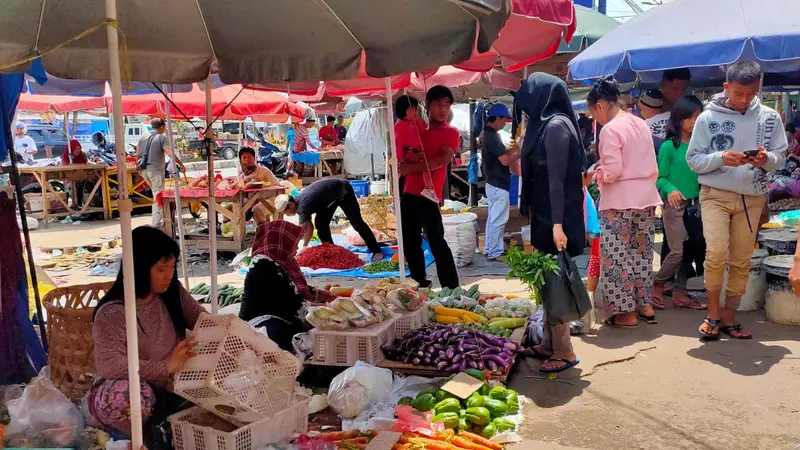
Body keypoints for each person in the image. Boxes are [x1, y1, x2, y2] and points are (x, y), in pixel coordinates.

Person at [686, 60, 788, 340]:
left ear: (758, 89)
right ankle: (713, 313)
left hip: (752, 197)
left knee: (742, 259)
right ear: (726, 87)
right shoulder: (707, 118)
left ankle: (730, 315)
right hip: (714, 194)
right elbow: (693, 159)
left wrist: (766, 159)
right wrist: (721, 158)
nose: (744, 100)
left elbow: (780, 156)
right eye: (738, 93)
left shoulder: (770, 117)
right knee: (716, 254)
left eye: (751, 94)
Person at [88, 226, 202, 440]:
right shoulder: (112, 313)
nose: (169, 274)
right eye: (161, 269)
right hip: (132, 390)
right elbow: (110, 364)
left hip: (173, 385)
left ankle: (166, 431)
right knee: (128, 396)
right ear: (140, 268)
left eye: (171, 266)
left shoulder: (173, 293)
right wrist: (165, 367)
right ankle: (134, 439)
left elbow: (202, 320)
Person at [514, 73, 586, 373]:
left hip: (558, 218)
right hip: (547, 215)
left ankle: (565, 351)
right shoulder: (544, 125)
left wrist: (557, 226)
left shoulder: (556, 127)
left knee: (556, 284)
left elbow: (556, 182)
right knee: (546, 282)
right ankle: (549, 344)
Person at [588, 76, 662, 328]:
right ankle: (645, 305)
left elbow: (613, 171)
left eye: (592, 113)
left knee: (617, 257)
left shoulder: (609, 130)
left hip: (619, 201)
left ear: (600, 105)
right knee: (641, 254)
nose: (595, 119)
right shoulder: (640, 123)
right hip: (646, 197)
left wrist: (597, 173)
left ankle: (625, 313)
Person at [397, 86, 460, 289]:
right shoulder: (416, 130)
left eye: (446, 104)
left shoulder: (450, 132)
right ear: (427, 105)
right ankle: (419, 284)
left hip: (429, 196)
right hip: (408, 193)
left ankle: (452, 288)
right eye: (438, 104)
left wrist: (410, 167)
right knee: (411, 243)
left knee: (437, 243)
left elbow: (441, 160)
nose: (443, 109)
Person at [239, 220, 334, 352]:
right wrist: (320, 308)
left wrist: (316, 293)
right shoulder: (263, 264)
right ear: (282, 242)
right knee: (281, 337)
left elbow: (289, 287)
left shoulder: (282, 260)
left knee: (313, 331)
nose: (296, 249)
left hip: (283, 314)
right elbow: (283, 300)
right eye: (294, 244)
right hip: (261, 317)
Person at [653, 95, 708, 311]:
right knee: (676, 251)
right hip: (674, 205)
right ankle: (658, 284)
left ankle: (681, 292)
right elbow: (659, 177)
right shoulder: (669, 147)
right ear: (680, 118)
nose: (695, 121)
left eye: (698, 116)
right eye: (690, 117)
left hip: (696, 205)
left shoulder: (700, 146)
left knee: (691, 249)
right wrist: (670, 189)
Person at [275, 178, 383, 261]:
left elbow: (303, 228)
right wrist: (305, 245)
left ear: (290, 204)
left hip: (343, 190)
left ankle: (376, 250)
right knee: (321, 223)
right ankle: (331, 251)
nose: (288, 216)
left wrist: (302, 247)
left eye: (286, 213)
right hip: (329, 198)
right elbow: (309, 226)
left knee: (356, 222)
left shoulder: (302, 206)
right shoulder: (299, 202)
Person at [481, 103, 519, 260]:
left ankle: (490, 248)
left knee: (493, 218)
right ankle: (495, 252)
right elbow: (504, 161)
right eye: (504, 120)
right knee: (498, 219)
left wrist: (514, 150)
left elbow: (503, 154)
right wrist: (520, 153)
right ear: (497, 118)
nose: (505, 123)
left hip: (493, 183)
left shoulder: (488, 134)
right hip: (498, 184)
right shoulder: (492, 136)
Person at [138, 118, 186, 228]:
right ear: (162, 127)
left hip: (144, 170)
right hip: (155, 171)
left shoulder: (143, 136)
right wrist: (180, 164)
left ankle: (162, 221)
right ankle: (156, 225)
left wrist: (139, 168)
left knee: (156, 195)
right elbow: (170, 154)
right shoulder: (162, 138)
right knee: (158, 197)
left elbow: (137, 154)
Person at [394, 95, 427, 195]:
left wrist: (417, 119)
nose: (414, 112)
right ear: (403, 110)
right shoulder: (399, 125)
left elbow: (423, 130)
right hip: (408, 158)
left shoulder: (414, 122)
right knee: (407, 183)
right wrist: (400, 159)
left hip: (420, 156)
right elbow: (397, 143)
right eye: (411, 110)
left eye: (415, 110)